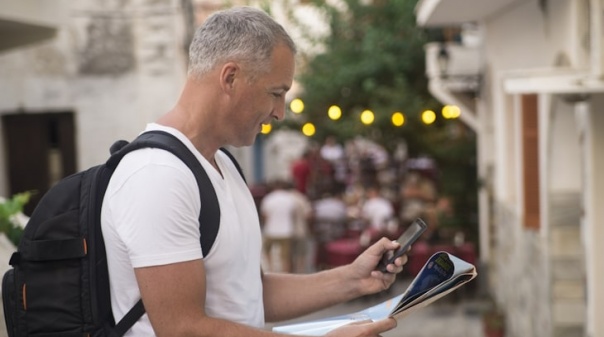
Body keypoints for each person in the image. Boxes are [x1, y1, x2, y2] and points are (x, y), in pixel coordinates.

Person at [101, 6, 407, 337]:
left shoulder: (223, 165)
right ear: (230, 77)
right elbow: (182, 329)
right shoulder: (157, 175)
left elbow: (248, 294)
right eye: (276, 93)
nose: (280, 112)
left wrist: (352, 279)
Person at [260, 180, 299, 273]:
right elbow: (293, 214)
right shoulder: (289, 198)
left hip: (271, 230)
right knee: (285, 256)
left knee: (267, 251)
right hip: (286, 230)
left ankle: (271, 269)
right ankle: (285, 273)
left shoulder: (268, 198)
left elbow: (265, 215)